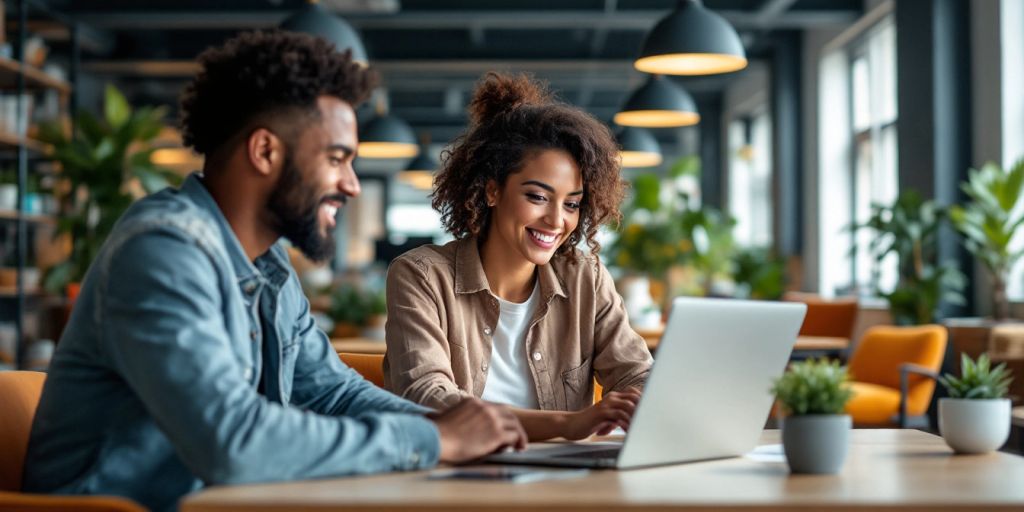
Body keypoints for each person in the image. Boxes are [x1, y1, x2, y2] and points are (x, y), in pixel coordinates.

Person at [22, 32, 526, 512]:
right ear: (265, 151)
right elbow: (232, 442)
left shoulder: (269, 266)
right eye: (336, 159)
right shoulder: (162, 252)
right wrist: (435, 439)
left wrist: (461, 430)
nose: (352, 185)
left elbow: (331, 391)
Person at [383, 73, 653, 441]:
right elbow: (427, 397)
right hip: (458, 481)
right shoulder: (422, 276)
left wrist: (647, 400)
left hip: (566, 485)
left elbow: (636, 374)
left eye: (572, 204)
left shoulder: (583, 276)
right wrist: (568, 424)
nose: (557, 221)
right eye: (538, 197)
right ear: (492, 191)